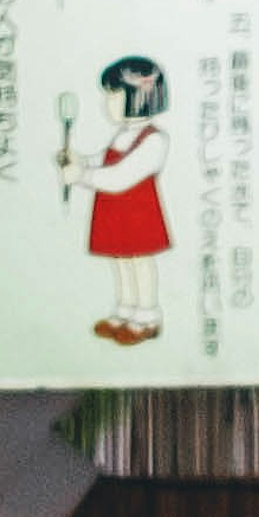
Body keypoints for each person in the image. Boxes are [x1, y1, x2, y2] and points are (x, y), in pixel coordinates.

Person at [84, 53, 168, 345]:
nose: (107, 103)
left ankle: (146, 316)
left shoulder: (153, 139)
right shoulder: (122, 134)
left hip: (137, 211)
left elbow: (120, 176)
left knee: (139, 261)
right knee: (120, 260)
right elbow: (103, 160)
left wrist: (83, 176)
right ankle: (125, 309)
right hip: (115, 210)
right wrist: (81, 163)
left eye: (114, 96)